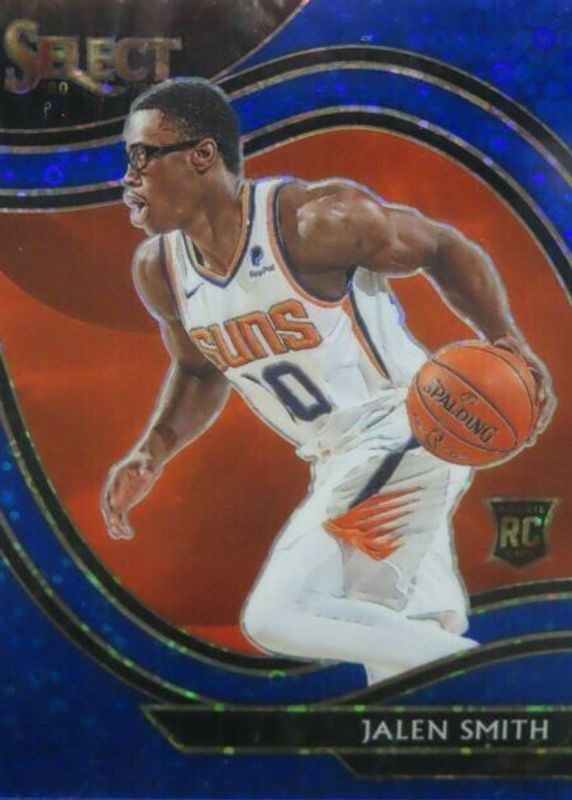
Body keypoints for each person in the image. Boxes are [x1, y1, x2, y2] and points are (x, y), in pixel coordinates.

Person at [101, 77, 554, 684]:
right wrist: (153, 449)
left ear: (202, 155)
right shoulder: (160, 270)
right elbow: (200, 369)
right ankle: (485, 691)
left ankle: (516, 682)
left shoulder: (314, 222)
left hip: (408, 428)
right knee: (402, 655)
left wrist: (508, 338)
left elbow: (442, 247)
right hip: (338, 459)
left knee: (279, 615)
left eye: (142, 157)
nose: (128, 178)